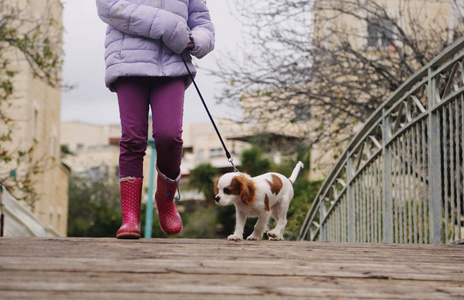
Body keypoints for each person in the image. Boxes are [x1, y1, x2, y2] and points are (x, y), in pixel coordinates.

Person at [96, 0, 215, 239]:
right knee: (132, 139)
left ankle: (165, 197)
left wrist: (195, 40)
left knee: (169, 136)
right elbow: (109, 7)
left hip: (171, 64)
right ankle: (130, 218)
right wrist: (168, 25)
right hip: (127, 62)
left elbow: (203, 24)